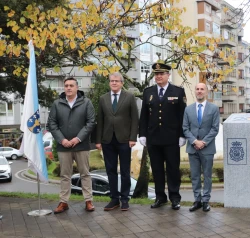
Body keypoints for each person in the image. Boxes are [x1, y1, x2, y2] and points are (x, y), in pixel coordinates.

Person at [139, 62, 187, 210]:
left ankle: (174, 198)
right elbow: (144, 116)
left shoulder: (178, 91)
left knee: (173, 169)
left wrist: (182, 135)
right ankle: (160, 197)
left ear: (168, 75)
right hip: (153, 138)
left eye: (161, 74)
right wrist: (142, 134)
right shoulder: (148, 92)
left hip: (172, 138)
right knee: (157, 169)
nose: (158, 76)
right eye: (156, 74)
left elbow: (182, 116)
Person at [47, 77, 96, 214]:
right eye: (66, 85)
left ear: (77, 88)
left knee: (85, 174)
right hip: (64, 147)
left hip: (82, 145)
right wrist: (62, 140)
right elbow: (51, 124)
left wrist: (78, 138)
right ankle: (63, 202)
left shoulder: (86, 103)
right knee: (65, 175)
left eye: (71, 85)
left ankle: (88, 201)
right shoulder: (57, 104)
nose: (68, 88)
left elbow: (91, 122)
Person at [96, 72, 139, 211]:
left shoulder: (130, 97)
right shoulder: (103, 98)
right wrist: (98, 140)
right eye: (112, 81)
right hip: (107, 140)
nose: (114, 83)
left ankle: (125, 199)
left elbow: (134, 118)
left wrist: (133, 138)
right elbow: (100, 120)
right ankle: (114, 199)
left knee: (125, 171)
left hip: (125, 140)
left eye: (116, 81)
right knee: (110, 170)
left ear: (121, 83)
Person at [182, 83, 220, 212]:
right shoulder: (188, 109)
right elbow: (185, 128)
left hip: (207, 148)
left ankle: (205, 201)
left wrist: (203, 142)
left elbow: (215, 129)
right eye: (197, 89)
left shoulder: (214, 109)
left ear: (206, 92)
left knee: (207, 175)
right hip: (193, 148)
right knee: (195, 176)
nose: (199, 91)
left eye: (202, 89)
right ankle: (197, 200)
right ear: (195, 91)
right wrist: (194, 141)